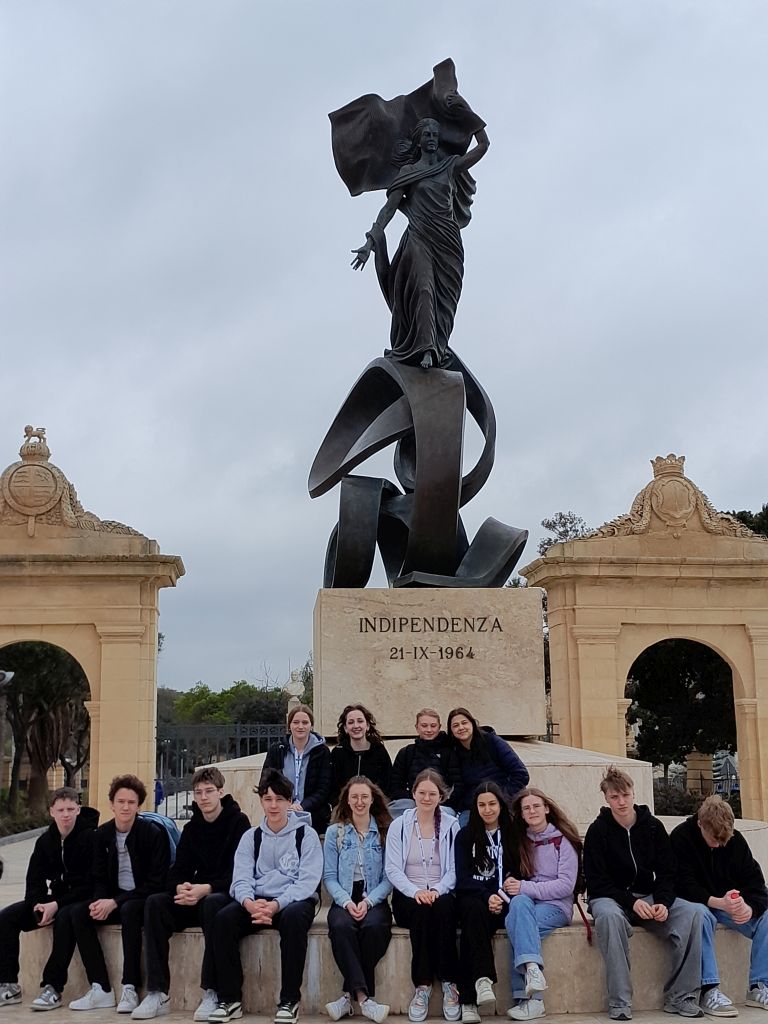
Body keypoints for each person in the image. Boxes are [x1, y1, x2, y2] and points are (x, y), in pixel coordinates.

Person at [351, 118, 490, 370]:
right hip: (419, 237)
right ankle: (426, 349)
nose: (432, 138)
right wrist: (370, 242)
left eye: (435, 134)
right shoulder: (409, 172)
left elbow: (483, 146)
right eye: (427, 134)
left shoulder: (449, 166)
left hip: (448, 243)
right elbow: (389, 208)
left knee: (444, 302)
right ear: (419, 140)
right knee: (424, 288)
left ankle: (437, 345)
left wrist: (468, 116)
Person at [584, 766, 704, 1021]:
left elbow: (668, 872)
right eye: (614, 797)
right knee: (609, 918)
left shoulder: (652, 827)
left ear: (633, 793)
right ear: (606, 798)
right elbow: (596, 882)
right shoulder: (598, 831)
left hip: (648, 896)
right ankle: (620, 1002)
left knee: (693, 913)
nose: (621, 802)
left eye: (625, 795)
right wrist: (630, 902)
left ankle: (681, 997)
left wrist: (663, 902)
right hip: (610, 899)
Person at [130, 766, 251, 1021]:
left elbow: (239, 873)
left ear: (221, 792)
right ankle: (157, 993)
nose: (203, 797)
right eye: (198, 792)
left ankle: (211, 991)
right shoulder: (192, 827)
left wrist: (206, 888)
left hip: (224, 894)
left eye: (209, 791)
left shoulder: (239, 823)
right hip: (194, 895)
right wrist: (180, 887)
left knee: (212, 904)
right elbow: (178, 870)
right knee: (155, 903)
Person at [207, 769, 322, 1024]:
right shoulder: (251, 837)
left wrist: (277, 905)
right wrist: (249, 903)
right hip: (257, 901)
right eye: (268, 799)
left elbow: (308, 882)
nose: (273, 805)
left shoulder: (306, 835)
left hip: (292, 901)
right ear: (261, 801)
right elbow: (240, 878)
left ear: (290, 801)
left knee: (294, 921)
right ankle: (230, 999)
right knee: (223, 920)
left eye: (279, 799)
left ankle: (289, 1001)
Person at [68, 774, 170, 1013]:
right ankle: (101, 988)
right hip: (114, 898)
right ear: (112, 804)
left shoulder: (153, 833)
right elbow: (99, 876)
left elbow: (156, 883)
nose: (125, 807)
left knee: (130, 910)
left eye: (131, 802)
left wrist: (115, 901)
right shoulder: (101, 835)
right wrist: (100, 901)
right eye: (121, 801)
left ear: (139, 806)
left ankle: (130, 987)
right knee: (78, 914)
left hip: (142, 899)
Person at [0, 787, 98, 1011]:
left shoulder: (91, 837)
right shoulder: (45, 841)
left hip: (80, 900)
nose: (66, 815)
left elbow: (90, 885)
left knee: (64, 918)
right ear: (51, 812)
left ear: (78, 809)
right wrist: (38, 905)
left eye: (70, 809)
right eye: (61, 810)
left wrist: (56, 905)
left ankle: (53, 987)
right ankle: (8, 985)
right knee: (6, 917)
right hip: (53, 900)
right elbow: (34, 880)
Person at [672, 795, 767, 1015]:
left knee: (766, 915)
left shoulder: (735, 840)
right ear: (700, 824)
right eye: (713, 840)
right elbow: (682, 884)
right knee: (701, 916)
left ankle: (759, 986)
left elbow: (756, 883)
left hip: (728, 905)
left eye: (723, 840)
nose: (718, 844)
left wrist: (749, 908)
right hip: (696, 903)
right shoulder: (681, 837)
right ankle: (709, 990)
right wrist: (717, 902)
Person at [384, 768, 461, 1023]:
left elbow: (454, 868)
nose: (427, 798)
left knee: (444, 908)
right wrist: (415, 891)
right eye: (422, 793)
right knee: (420, 911)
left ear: (441, 796)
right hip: (409, 894)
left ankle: (449, 983)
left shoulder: (451, 826)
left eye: (432, 794)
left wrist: (437, 890)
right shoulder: (399, 826)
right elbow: (392, 869)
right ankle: (423, 986)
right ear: (413, 794)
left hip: (441, 892)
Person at [503, 787, 581, 1021]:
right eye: (526, 808)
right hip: (527, 904)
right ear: (521, 814)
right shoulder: (520, 840)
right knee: (518, 906)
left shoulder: (563, 840)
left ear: (546, 808)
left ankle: (530, 1000)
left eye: (536, 806)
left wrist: (525, 887)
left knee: (519, 925)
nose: (532, 811)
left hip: (556, 906)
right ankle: (533, 971)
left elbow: (565, 886)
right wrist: (513, 885)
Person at [324, 776, 393, 1023]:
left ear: (372, 799)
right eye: (354, 797)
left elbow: (389, 877)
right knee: (341, 927)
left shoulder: (385, 832)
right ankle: (364, 1000)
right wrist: (346, 901)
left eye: (364, 796)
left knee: (374, 927)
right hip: (344, 896)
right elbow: (329, 876)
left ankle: (347, 997)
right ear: (347, 800)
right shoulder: (335, 833)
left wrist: (369, 902)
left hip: (374, 896)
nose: (359, 801)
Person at [453, 782, 521, 1023]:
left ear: (501, 805)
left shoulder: (513, 834)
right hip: (476, 899)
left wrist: (500, 897)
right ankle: (481, 983)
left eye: (492, 804)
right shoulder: (465, 836)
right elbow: (462, 878)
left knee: (473, 929)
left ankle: (469, 1000)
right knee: (472, 914)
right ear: (475, 807)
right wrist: (487, 896)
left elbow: (519, 872)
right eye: (481, 805)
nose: (487, 809)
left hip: (506, 901)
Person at [446, 708, 529, 821]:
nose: (461, 727)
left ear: (472, 723)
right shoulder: (455, 753)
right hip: (475, 806)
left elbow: (521, 774)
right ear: (451, 731)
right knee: (463, 825)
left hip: (504, 802)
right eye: (455, 725)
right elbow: (461, 787)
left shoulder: (492, 742)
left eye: (464, 723)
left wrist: (502, 798)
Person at [261, 704, 332, 834]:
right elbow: (266, 782)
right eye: (296, 722)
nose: (300, 726)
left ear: (311, 725)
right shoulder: (276, 750)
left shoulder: (322, 751)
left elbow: (324, 788)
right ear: (289, 726)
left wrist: (302, 806)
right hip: (282, 815)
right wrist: (285, 803)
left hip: (314, 817)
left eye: (305, 722)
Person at [390, 708, 463, 814]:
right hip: (412, 803)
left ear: (439, 727)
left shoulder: (449, 753)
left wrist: (438, 800)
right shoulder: (406, 753)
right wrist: (417, 799)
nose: (429, 730)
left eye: (433, 726)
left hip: (442, 804)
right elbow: (395, 785)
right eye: (424, 726)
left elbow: (458, 785)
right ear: (417, 727)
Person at [330, 704, 392, 802]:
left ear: (367, 726)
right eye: (351, 722)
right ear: (345, 728)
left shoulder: (379, 751)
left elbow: (387, 784)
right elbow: (333, 787)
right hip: (345, 806)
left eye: (360, 721)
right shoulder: (338, 753)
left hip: (375, 805)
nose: (356, 726)